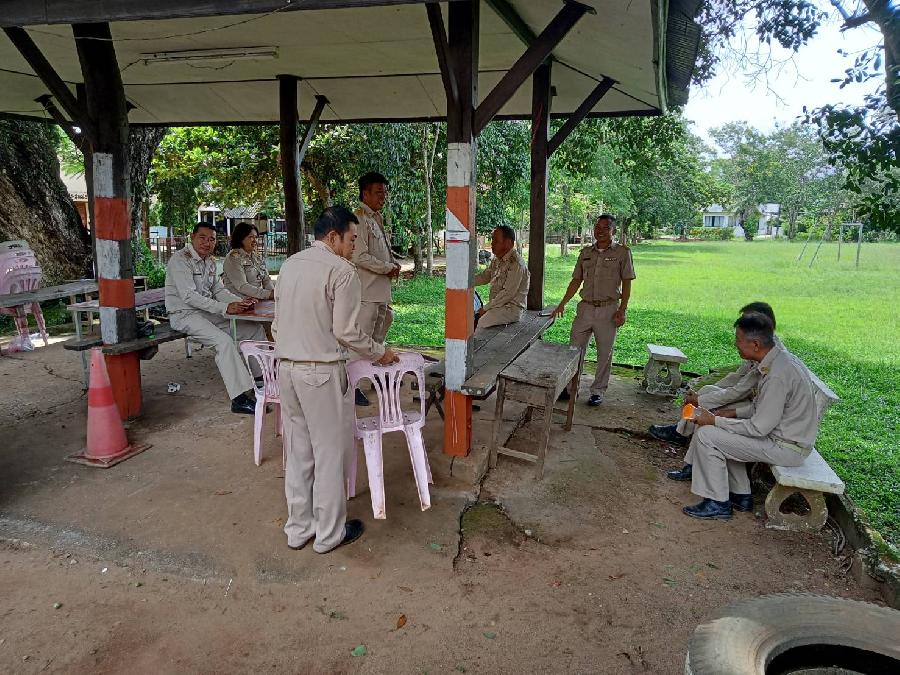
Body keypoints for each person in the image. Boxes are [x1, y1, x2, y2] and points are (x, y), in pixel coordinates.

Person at [274, 206, 398, 553]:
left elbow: (276, 325)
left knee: (298, 451)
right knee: (329, 454)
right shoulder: (342, 271)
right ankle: (329, 534)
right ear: (333, 236)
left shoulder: (289, 265)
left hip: (286, 369)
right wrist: (379, 352)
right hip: (321, 373)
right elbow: (347, 331)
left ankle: (299, 529)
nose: (354, 246)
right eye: (351, 239)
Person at [678, 313, 819, 520]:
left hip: (787, 448)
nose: (735, 344)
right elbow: (764, 408)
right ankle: (741, 495)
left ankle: (718, 503)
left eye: (738, 340)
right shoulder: (777, 361)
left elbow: (758, 428)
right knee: (722, 430)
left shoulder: (777, 376)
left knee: (706, 435)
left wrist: (715, 420)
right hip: (784, 438)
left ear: (755, 344)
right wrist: (730, 414)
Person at [651, 302, 779, 460]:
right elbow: (737, 377)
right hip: (753, 404)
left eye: (747, 321)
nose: (741, 326)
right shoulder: (762, 347)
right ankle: (682, 432)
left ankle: (689, 451)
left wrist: (700, 400)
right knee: (707, 393)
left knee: (709, 413)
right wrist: (706, 392)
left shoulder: (767, 355)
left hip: (759, 413)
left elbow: (740, 391)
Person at [164, 223, 266, 415]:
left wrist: (240, 302)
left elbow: (218, 290)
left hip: (205, 312)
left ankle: (262, 381)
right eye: (202, 238)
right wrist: (225, 308)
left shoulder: (209, 261)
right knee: (224, 342)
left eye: (211, 239)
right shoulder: (180, 260)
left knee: (253, 329)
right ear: (192, 237)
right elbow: (189, 296)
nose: (207, 243)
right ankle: (239, 399)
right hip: (184, 314)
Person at [552, 215, 635, 406]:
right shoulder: (586, 252)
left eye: (605, 228)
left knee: (604, 353)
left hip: (608, 309)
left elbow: (627, 282)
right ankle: (571, 388)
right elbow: (576, 280)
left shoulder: (622, 253)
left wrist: (622, 310)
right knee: (574, 349)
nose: (600, 231)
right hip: (585, 308)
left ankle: (598, 391)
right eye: (597, 227)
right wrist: (563, 303)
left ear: (613, 231)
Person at [352, 172, 400, 406]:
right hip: (367, 292)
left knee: (378, 337)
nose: (384, 197)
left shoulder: (375, 218)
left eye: (385, 192)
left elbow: (381, 252)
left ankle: (373, 375)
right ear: (365, 194)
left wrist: (392, 264)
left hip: (380, 291)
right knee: (361, 339)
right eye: (379, 192)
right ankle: (352, 386)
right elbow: (359, 256)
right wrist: (388, 267)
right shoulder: (359, 219)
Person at [473, 225, 529, 331]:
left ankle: (478, 342)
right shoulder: (497, 259)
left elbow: (507, 293)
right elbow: (485, 276)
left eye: (496, 240)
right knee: (474, 318)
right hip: (498, 306)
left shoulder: (516, 264)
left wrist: (485, 308)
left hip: (511, 309)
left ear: (508, 243)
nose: (492, 243)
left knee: (481, 322)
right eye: (492, 240)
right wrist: (466, 282)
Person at [221, 222, 275, 300]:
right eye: (251, 237)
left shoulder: (257, 257)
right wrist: (268, 294)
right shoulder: (233, 258)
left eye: (256, 237)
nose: (255, 240)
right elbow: (242, 286)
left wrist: (273, 294)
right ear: (240, 238)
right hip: (238, 302)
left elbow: (266, 280)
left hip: (257, 300)